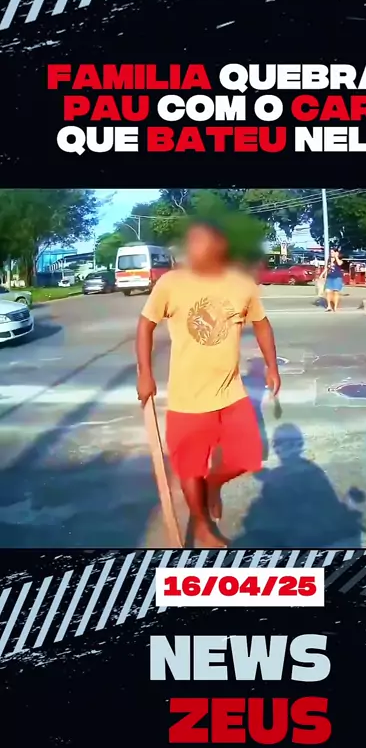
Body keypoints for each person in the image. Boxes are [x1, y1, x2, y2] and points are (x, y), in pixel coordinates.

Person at [135, 220, 281, 548]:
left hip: (231, 392)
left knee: (247, 458)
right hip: (186, 397)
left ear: (219, 247)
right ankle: (202, 525)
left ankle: (213, 483)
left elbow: (262, 323)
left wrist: (272, 366)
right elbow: (145, 325)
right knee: (189, 467)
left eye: (199, 242)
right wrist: (145, 373)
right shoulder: (171, 283)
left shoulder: (241, 284)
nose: (192, 249)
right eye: (190, 242)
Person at [321, 248, 344, 312]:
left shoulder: (339, 259)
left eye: (332, 252)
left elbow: (339, 264)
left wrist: (336, 257)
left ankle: (335, 307)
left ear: (336, 253)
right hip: (329, 277)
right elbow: (326, 268)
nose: (331, 253)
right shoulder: (329, 260)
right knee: (327, 291)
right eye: (330, 252)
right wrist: (321, 275)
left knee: (336, 292)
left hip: (337, 277)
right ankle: (329, 306)